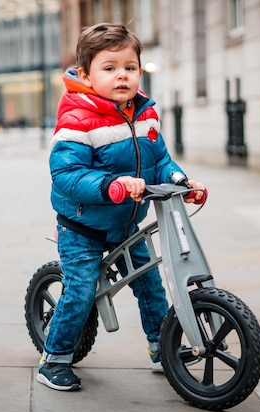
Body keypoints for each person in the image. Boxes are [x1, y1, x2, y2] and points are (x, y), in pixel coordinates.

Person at [37, 22, 205, 392]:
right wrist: (110, 186)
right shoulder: (77, 119)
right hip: (82, 226)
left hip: (127, 222)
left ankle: (162, 348)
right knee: (80, 291)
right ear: (85, 74)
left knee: (151, 285)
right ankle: (55, 358)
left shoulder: (143, 113)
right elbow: (66, 174)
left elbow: (160, 160)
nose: (122, 76)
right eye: (109, 68)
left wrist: (182, 183)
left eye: (129, 67)